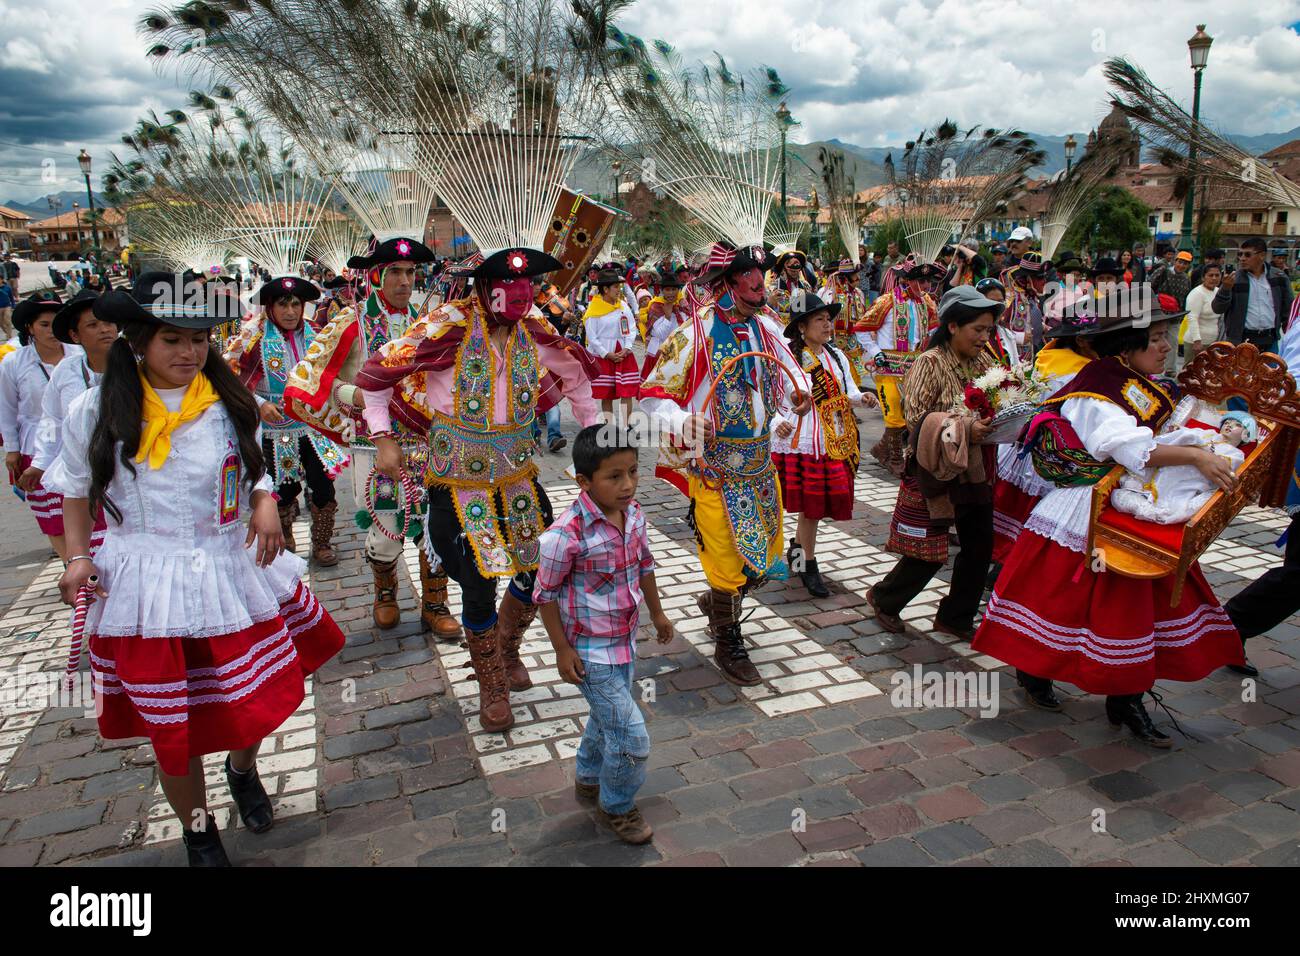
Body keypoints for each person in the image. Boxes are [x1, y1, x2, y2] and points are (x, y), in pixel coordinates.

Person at [47, 275, 345, 866]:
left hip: (229, 570)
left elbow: (254, 467)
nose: (189, 353)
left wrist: (263, 502)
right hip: (147, 585)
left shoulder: (229, 401)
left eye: (200, 340)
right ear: (138, 344)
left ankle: (243, 769)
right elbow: (75, 492)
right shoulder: (96, 409)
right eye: (172, 340)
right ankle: (199, 830)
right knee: (172, 726)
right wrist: (78, 557)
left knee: (250, 698)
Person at [971, 293, 1244, 747]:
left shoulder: (1134, 381)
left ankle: (1127, 696)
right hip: (1086, 511)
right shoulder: (1096, 390)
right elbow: (1132, 448)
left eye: (1165, 338)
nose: (1164, 347)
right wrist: (1195, 456)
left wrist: (1206, 442)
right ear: (1126, 347)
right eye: (1155, 339)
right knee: (1061, 601)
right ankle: (1035, 669)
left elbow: (1151, 438)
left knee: (1138, 608)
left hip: (1130, 504)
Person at [355, 245, 602, 733]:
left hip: (517, 476)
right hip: (458, 481)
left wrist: (593, 434)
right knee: (477, 580)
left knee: (541, 568)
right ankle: (491, 682)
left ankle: (506, 648)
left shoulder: (533, 328)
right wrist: (382, 437)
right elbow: (379, 375)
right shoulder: (446, 326)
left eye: (527, 287)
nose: (521, 296)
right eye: (511, 288)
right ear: (485, 289)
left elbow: (574, 372)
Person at [640, 241, 812, 685]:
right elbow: (651, 396)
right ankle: (727, 636)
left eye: (763, 277)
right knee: (723, 554)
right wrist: (687, 421)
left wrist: (796, 400)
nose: (761, 285)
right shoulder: (694, 333)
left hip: (758, 462)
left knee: (764, 556)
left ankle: (721, 601)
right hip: (715, 467)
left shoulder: (768, 327)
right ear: (728, 283)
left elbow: (790, 379)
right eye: (750, 278)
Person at [283, 236, 459, 636]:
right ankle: (385, 592)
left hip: (427, 441)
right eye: (395, 272)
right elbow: (313, 379)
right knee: (384, 526)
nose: (404, 281)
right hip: (374, 443)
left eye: (410, 272)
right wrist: (357, 395)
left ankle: (435, 602)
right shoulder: (352, 322)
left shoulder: (431, 321)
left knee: (437, 521)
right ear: (377, 276)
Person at [533, 425, 672, 845]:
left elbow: (644, 566)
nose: (628, 484)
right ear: (584, 482)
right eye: (615, 476)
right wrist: (561, 649)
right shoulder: (565, 536)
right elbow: (545, 593)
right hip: (590, 653)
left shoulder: (634, 516)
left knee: (605, 718)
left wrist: (658, 613)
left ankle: (589, 777)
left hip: (624, 642)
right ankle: (617, 806)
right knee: (631, 736)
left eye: (633, 471)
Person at [866, 285, 1000, 642]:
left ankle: (956, 616)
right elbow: (917, 419)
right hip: (935, 469)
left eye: (988, 330)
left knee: (979, 545)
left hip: (975, 469)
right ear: (953, 326)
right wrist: (965, 426)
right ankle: (885, 598)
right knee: (929, 549)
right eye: (978, 330)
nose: (984, 337)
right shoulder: (930, 362)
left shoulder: (984, 361)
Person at [225, 275, 349, 565]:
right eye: (283, 305)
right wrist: (259, 404)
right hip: (274, 429)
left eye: (296, 304)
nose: (291, 311)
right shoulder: (253, 337)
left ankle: (322, 543)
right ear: (270, 307)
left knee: (323, 485)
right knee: (282, 487)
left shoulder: (318, 334)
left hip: (314, 425)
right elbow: (229, 378)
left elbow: (333, 371)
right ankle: (286, 535)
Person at [772, 290, 878, 596]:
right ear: (802, 327)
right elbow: (782, 401)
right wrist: (782, 420)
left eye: (828, 319)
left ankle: (798, 552)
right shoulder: (792, 359)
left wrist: (862, 398)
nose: (828, 325)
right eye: (820, 320)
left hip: (835, 436)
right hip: (808, 438)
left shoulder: (835, 355)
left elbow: (848, 389)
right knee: (812, 508)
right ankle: (808, 564)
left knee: (813, 507)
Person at [22, 289, 117, 554]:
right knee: (93, 553)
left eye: (109, 323)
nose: (105, 330)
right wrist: (40, 462)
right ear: (75, 335)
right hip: (84, 472)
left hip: (127, 473)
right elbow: (52, 419)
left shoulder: (137, 365)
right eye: (93, 325)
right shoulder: (67, 370)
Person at [1, 292, 80, 560]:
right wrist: (11, 449)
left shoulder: (78, 355)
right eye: (44, 325)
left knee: (80, 504)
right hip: (36, 445)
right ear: (30, 328)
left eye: (55, 323)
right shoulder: (14, 362)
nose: (51, 330)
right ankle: (69, 564)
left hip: (78, 441)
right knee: (51, 513)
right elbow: (7, 409)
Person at [856, 257, 942, 476]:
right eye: (920, 281)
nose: (925, 286)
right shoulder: (887, 301)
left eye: (928, 281)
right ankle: (895, 458)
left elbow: (933, 330)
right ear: (906, 280)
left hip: (915, 366)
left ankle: (880, 449)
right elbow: (861, 328)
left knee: (912, 411)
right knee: (893, 409)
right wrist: (875, 353)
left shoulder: (928, 302)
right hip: (889, 365)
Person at [1212, 237, 1292, 353]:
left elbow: (1288, 310)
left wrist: (1290, 334)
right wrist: (1225, 288)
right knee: (1240, 372)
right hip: (1241, 342)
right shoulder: (1234, 279)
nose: (1242, 258)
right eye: (1240, 254)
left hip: (1270, 341)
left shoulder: (1279, 277)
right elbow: (1217, 308)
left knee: (1271, 371)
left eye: (1247, 255)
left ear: (1262, 255)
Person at [584, 267, 640, 424]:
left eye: (619, 286)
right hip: (604, 355)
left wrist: (627, 348)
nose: (619, 289)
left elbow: (631, 328)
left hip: (623, 353)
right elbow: (592, 336)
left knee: (627, 391)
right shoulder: (593, 308)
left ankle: (627, 425)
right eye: (615, 286)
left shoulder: (622, 305)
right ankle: (608, 425)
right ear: (605, 289)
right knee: (607, 393)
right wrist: (605, 353)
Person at [817, 258, 871, 385]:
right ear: (846, 278)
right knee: (835, 377)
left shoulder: (858, 293)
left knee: (854, 378)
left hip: (854, 343)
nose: (858, 278)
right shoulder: (829, 293)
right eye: (854, 275)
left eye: (858, 274)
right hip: (833, 341)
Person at [642, 264, 690, 380]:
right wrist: (668, 317)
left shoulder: (682, 307)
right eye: (667, 290)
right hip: (658, 354)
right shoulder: (656, 307)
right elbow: (659, 334)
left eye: (674, 289)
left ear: (678, 290)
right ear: (662, 291)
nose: (671, 293)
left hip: (677, 354)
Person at [1182, 262, 1222, 365]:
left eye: (1217, 275)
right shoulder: (1197, 293)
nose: (1214, 278)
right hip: (1195, 342)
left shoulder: (1219, 292)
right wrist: (1197, 341)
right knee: (1190, 374)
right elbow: (1192, 318)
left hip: (1213, 342)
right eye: (1210, 275)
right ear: (1203, 277)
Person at [768, 249, 813, 325]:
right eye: (792, 270)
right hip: (781, 328)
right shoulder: (774, 286)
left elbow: (812, 306)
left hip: (800, 327)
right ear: (784, 268)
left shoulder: (805, 286)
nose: (795, 273)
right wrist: (769, 302)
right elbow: (766, 309)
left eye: (797, 270)